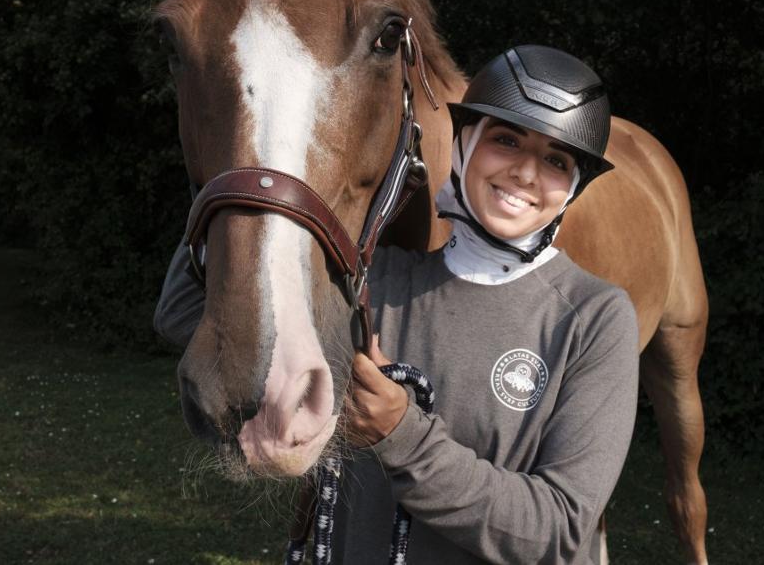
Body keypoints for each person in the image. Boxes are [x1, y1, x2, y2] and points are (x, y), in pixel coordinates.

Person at [155, 45, 638, 565]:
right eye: (506, 140)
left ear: (572, 186)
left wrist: (401, 436)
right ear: (465, 144)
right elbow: (184, 310)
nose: (525, 172)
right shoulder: (377, 279)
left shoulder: (594, 317)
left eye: (555, 160)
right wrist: (257, 160)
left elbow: (560, 530)